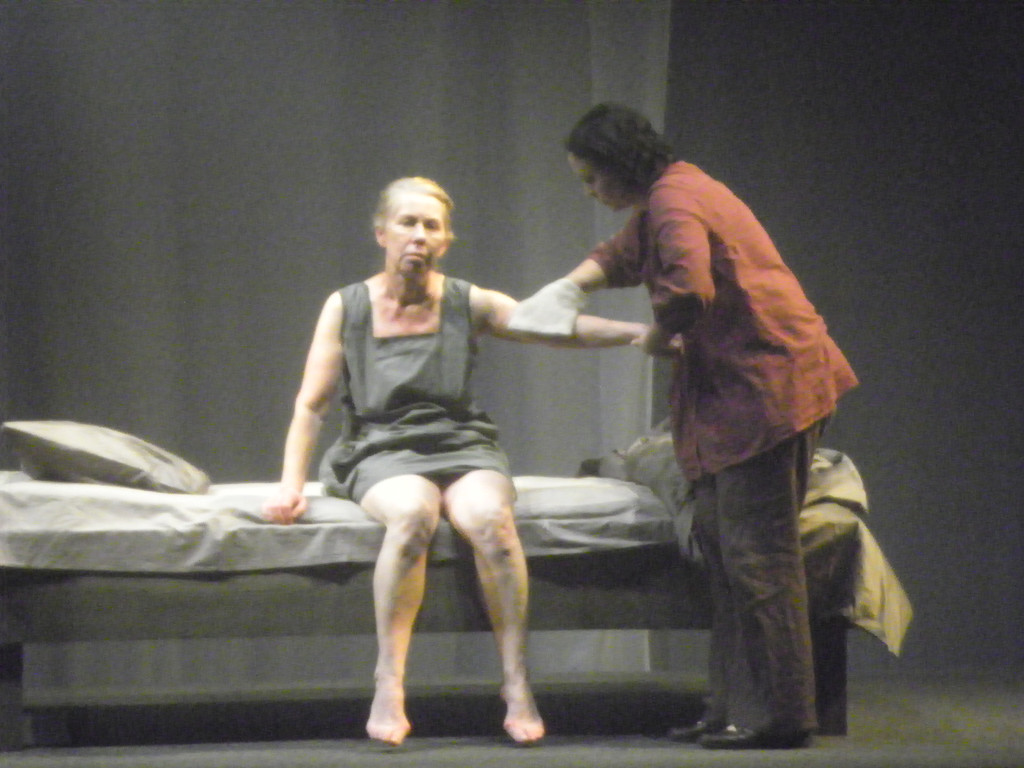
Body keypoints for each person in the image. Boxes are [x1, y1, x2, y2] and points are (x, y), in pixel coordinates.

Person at [510, 104, 858, 749]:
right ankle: (730, 708)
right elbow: (626, 252)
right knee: (725, 559)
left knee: (758, 560)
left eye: (592, 178)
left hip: (767, 391)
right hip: (743, 393)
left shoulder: (676, 198)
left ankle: (781, 715)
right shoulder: (671, 196)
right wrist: (571, 286)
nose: (590, 192)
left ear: (620, 165)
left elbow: (689, 289)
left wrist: (656, 334)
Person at [263, 177, 646, 747]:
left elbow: (550, 327)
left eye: (431, 226)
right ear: (381, 232)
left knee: (491, 521)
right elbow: (311, 404)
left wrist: (636, 332)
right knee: (413, 513)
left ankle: (516, 681)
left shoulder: (468, 300)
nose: (419, 235)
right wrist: (290, 484)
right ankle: (389, 681)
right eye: (407, 223)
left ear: (446, 240)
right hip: (379, 448)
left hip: (462, 444)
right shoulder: (348, 306)